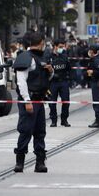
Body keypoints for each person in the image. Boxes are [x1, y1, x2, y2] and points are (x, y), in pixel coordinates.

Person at [12, 32, 52, 173]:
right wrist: (27, 100)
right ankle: (20, 162)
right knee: (25, 130)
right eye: (44, 43)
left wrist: (50, 71)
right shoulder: (25, 58)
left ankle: (40, 162)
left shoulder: (42, 57)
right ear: (41, 42)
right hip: (29, 100)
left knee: (40, 131)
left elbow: (45, 79)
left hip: (40, 100)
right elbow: (21, 81)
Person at [47, 39, 71, 127]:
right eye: (60, 47)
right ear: (55, 47)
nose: (62, 48)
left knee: (66, 101)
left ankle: (64, 120)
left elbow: (69, 68)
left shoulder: (64, 56)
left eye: (63, 47)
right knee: (52, 102)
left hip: (63, 81)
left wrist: (70, 79)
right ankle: (53, 120)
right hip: (53, 82)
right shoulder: (49, 56)